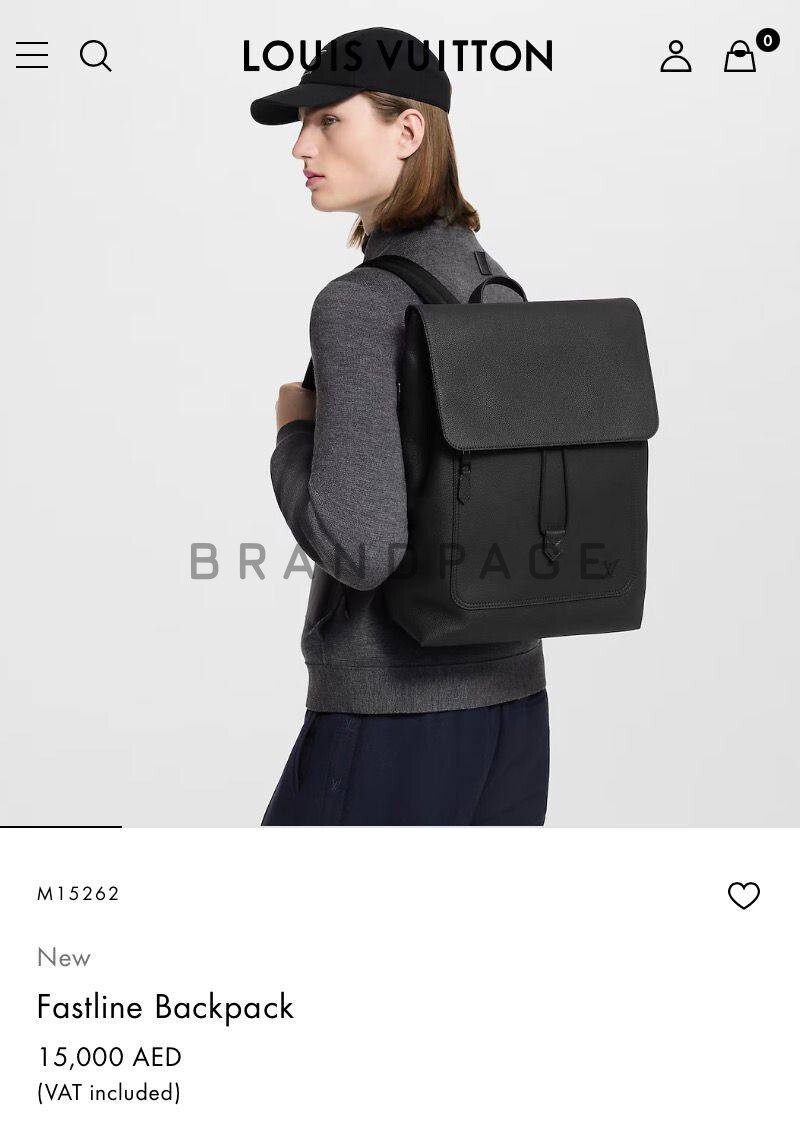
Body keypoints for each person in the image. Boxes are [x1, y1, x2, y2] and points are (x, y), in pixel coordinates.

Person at [250, 27, 549, 826]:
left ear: (408, 131)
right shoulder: (492, 282)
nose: (301, 146)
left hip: (390, 718)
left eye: (328, 120)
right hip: (515, 711)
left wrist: (293, 433)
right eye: (301, 124)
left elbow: (361, 549)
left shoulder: (359, 304)